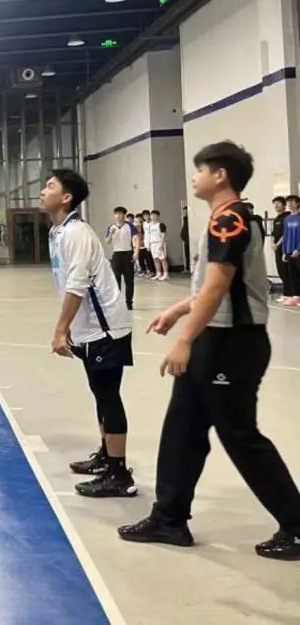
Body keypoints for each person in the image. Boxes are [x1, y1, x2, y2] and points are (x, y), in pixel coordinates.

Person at [119, 142, 300, 560]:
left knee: (240, 435)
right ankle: (169, 518)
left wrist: (184, 339)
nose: (194, 177)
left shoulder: (230, 220)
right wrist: (177, 310)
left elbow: (218, 287)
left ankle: (296, 524)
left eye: (200, 170)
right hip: (215, 338)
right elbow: (211, 287)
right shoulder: (225, 218)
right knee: (183, 427)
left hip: (231, 344)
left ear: (220, 176)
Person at [43, 171, 137, 498]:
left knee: (108, 395)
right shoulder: (59, 232)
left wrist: (60, 329)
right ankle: (106, 456)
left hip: (106, 329)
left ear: (66, 197)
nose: (43, 191)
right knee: (100, 393)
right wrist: (73, 327)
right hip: (89, 330)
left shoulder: (76, 233)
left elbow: (78, 283)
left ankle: (119, 474)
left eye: (50, 186)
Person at [106, 205, 136, 311]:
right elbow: (107, 242)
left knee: (129, 280)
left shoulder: (130, 226)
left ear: (124, 215)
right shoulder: (111, 227)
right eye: (116, 214)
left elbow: (136, 238)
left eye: (120, 213)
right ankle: (117, 302)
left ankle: (129, 302)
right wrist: (111, 233)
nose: (118, 216)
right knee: (116, 279)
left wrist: (136, 252)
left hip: (128, 253)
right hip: (116, 254)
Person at [280, 195, 300, 307]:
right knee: (292, 275)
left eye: (292, 202)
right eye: (288, 202)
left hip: (298, 250)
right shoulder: (287, 219)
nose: (290, 204)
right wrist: (284, 251)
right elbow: (286, 235)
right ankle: (296, 296)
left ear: (297, 204)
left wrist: (298, 249)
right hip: (289, 250)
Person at [145, 210, 169, 281]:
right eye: (152, 215)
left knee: (162, 259)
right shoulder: (150, 226)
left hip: (159, 243)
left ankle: (166, 274)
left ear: (158, 216)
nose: (153, 217)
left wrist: (161, 244)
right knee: (155, 259)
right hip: (152, 244)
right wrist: (149, 245)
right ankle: (158, 273)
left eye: (155, 215)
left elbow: (164, 235)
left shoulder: (161, 225)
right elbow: (149, 236)